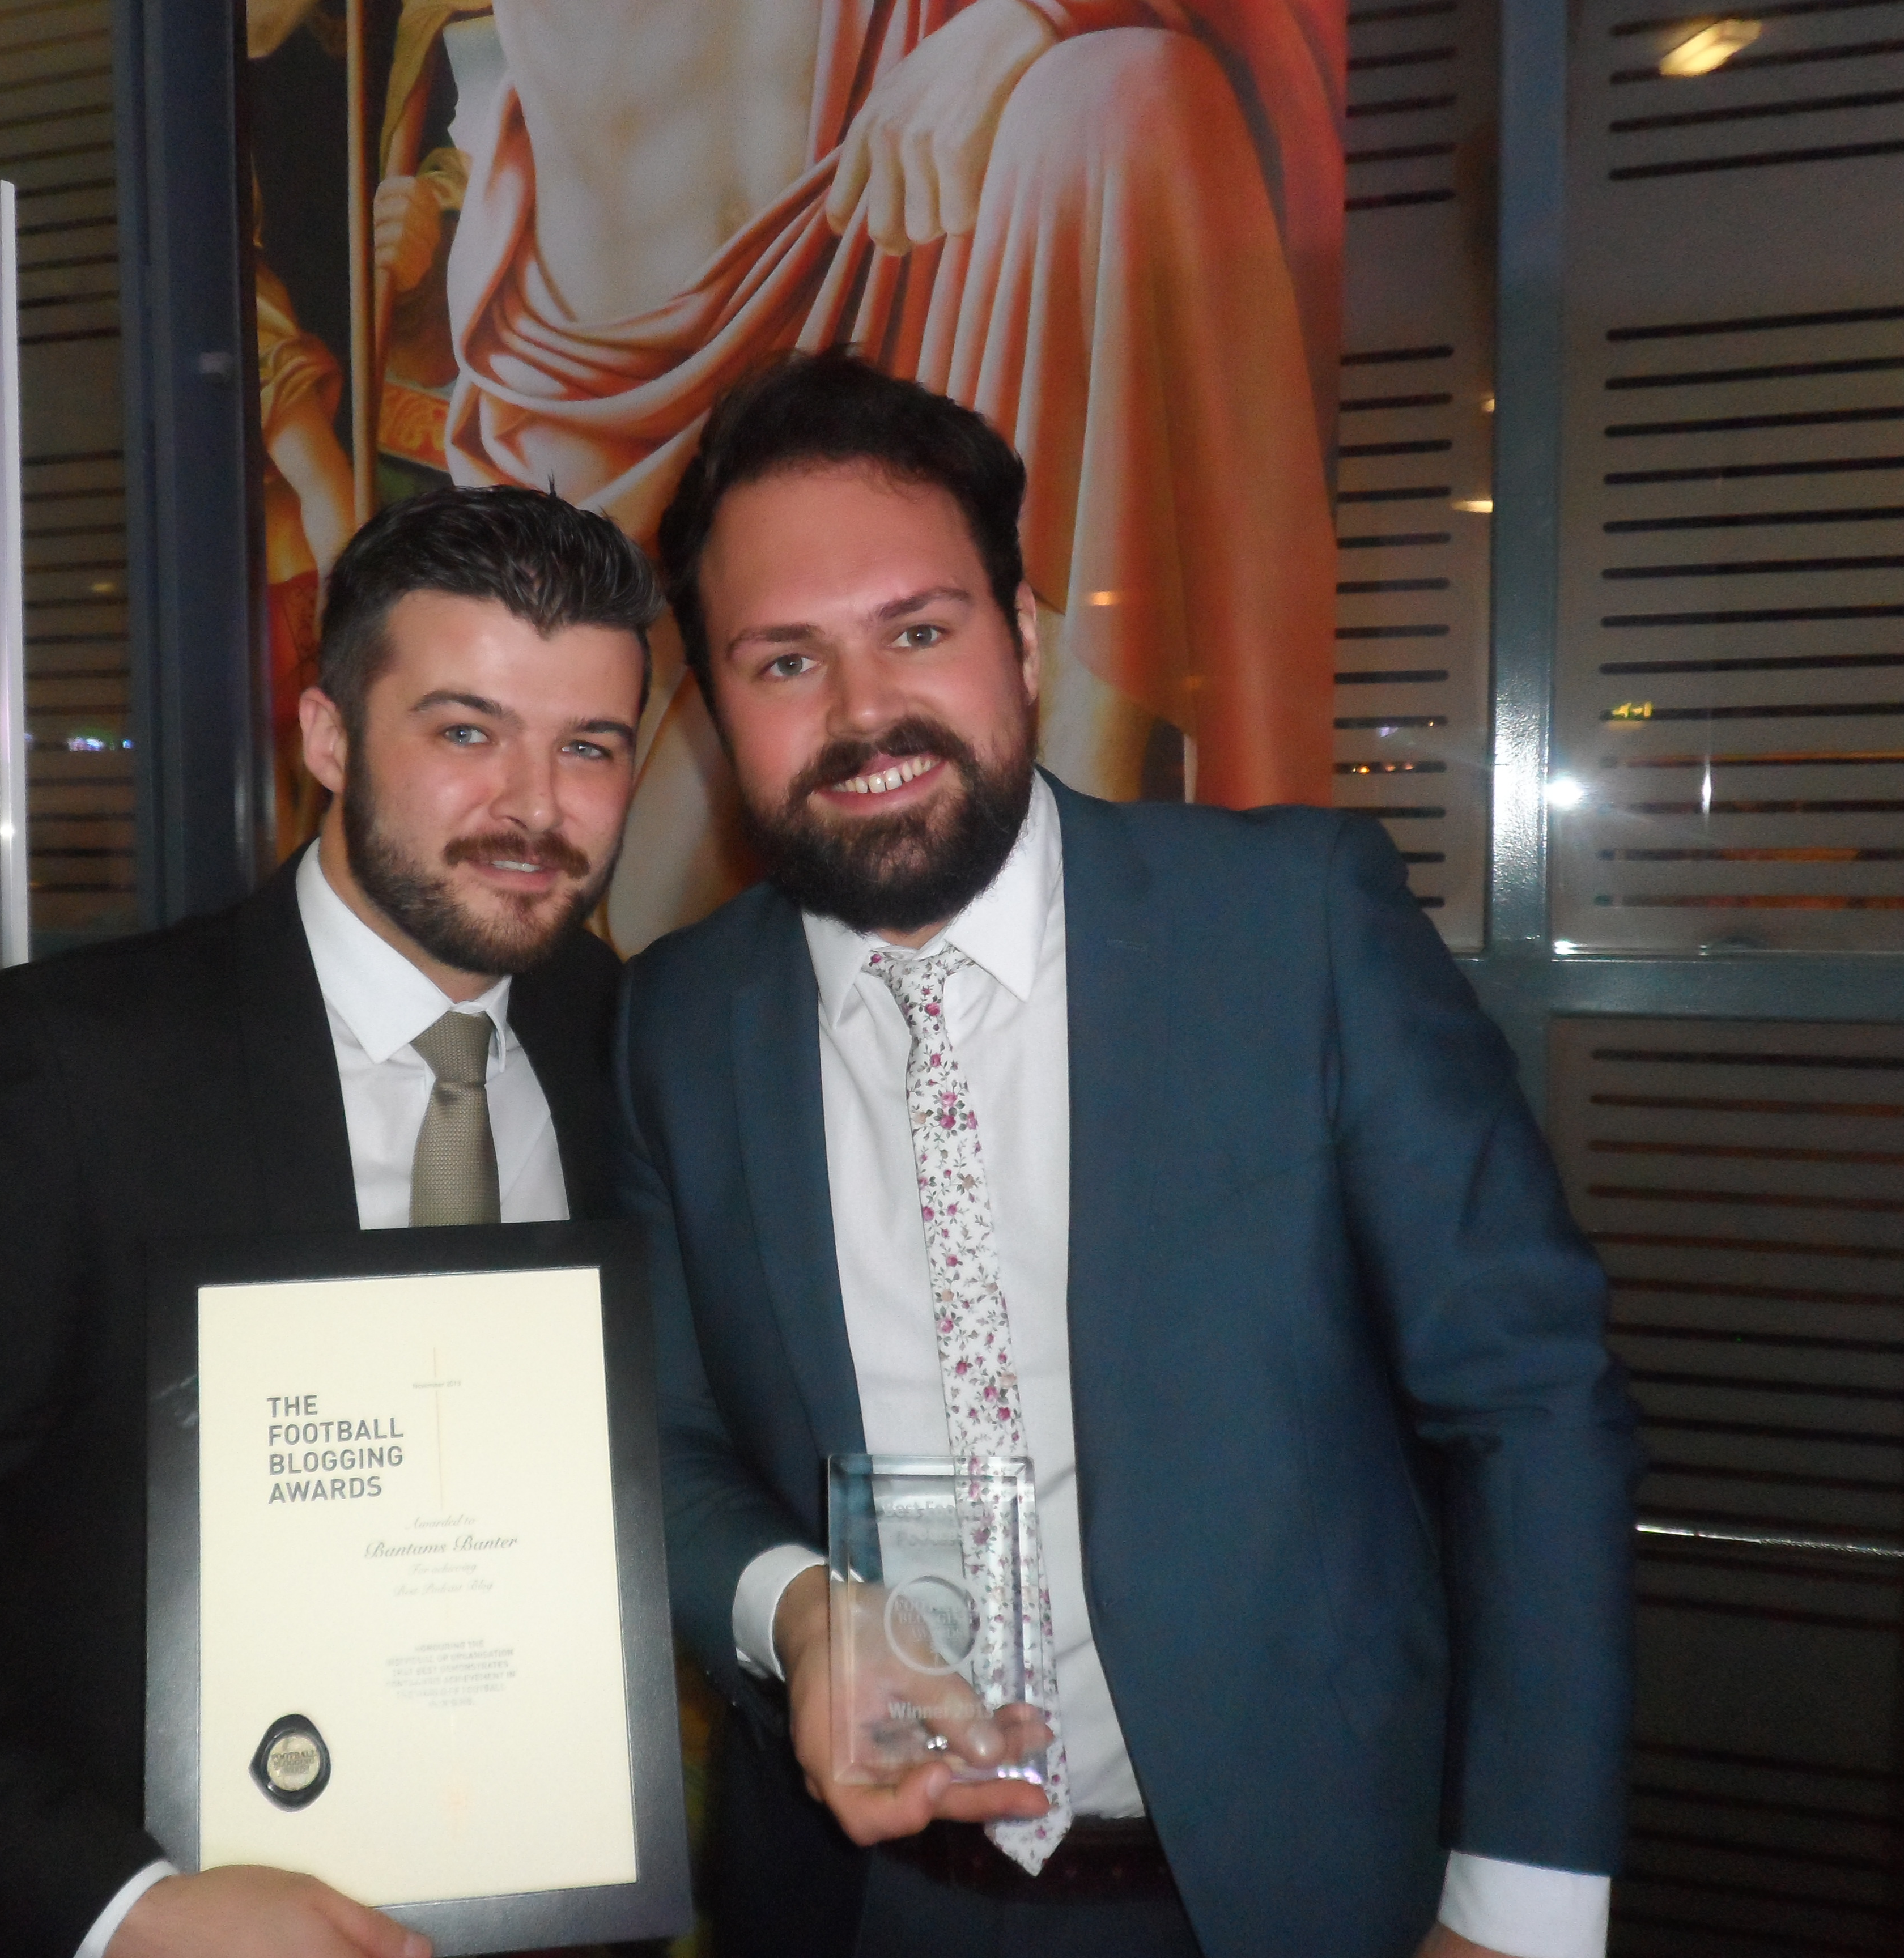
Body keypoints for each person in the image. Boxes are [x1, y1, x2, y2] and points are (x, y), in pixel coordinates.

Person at [618, 352, 1639, 1958]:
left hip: (1286, 1902)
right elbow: (665, 1441)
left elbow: (1533, 1397)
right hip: (857, 1908)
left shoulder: (1292, 926)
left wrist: (1519, 1910)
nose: (864, 712)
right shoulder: (673, 1021)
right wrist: (794, 1608)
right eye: (785, 661)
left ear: (1022, 640)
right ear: (714, 703)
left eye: (919, 631)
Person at [0, 486, 661, 1958]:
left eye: (589, 746)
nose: (535, 806)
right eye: (467, 732)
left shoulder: (636, 1046)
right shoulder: (70, 1069)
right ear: (329, 737)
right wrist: (128, 1910)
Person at [394, 0, 1340, 846]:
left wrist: (1039, 10)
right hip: (595, 394)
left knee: (1123, 94)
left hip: (908, 233)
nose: (863, 704)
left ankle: (1083, 884)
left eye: (919, 637)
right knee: (667, 919)